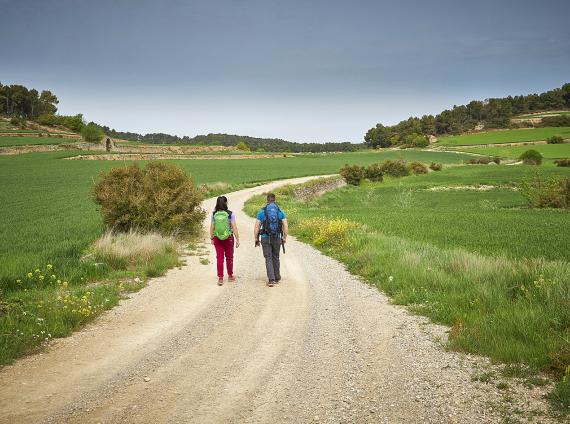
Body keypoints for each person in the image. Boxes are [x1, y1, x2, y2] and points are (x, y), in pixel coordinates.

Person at [254, 193, 288, 287]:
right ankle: (277, 277)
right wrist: (284, 237)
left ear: (267, 201)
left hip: (265, 238)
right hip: (277, 237)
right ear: (275, 200)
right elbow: (285, 225)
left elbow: (257, 226)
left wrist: (256, 238)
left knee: (268, 257)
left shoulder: (262, 212)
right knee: (276, 257)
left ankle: (271, 279)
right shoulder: (280, 211)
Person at [210, 196, 240, 285]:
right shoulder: (230, 214)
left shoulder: (214, 214)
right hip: (229, 238)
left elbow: (212, 227)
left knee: (219, 258)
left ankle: (220, 278)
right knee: (229, 257)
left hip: (217, 238)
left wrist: (212, 238)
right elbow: (234, 227)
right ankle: (230, 276)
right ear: (226, 203)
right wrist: (237, 239)